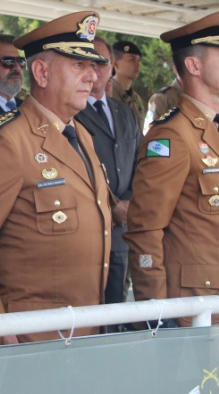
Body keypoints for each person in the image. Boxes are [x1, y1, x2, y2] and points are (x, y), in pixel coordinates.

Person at [0, 11, 112, 344]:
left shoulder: (81, 135)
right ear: (41, 72)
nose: (92, 76)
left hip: (85, 330)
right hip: (31, 338)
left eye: (93, 66)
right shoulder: (7, 141)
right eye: (78, 65)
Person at [125, 8, 219, 327]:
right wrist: (156, 314)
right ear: (193, 65)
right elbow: (145, 230)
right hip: (189, 309)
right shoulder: (172, 134)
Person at [77, 37, 141, 308]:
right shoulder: (73, 112)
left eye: (101, 63)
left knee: (116, 310)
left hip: (122, 233)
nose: (95, 70)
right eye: (87, 63)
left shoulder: (124, 113)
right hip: (87, 233)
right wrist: (111, 203)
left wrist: (128, 201)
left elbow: (141, 164)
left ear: (111, 68)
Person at [110, 39, 146, 132]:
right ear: (115, 63)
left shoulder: (137, 99)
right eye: (132, 59)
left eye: (138, 60)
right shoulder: (107, 93)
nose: (137, 64)